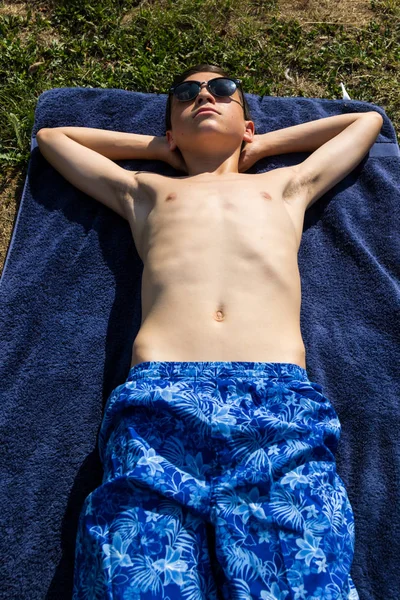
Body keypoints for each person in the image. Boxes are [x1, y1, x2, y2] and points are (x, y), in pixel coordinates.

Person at [37, 63, 382, 599]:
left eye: (222, 91)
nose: (204, 96)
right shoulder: (146, 191)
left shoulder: (284, 186)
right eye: (185, 93)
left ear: (247, 123)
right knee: (136, 577)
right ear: (171, 127)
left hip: (276, 403)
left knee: (302, 575)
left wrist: (260, 147)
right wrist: (157, 149)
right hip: (161, 398)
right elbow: (53, 138)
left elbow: (363, 123)